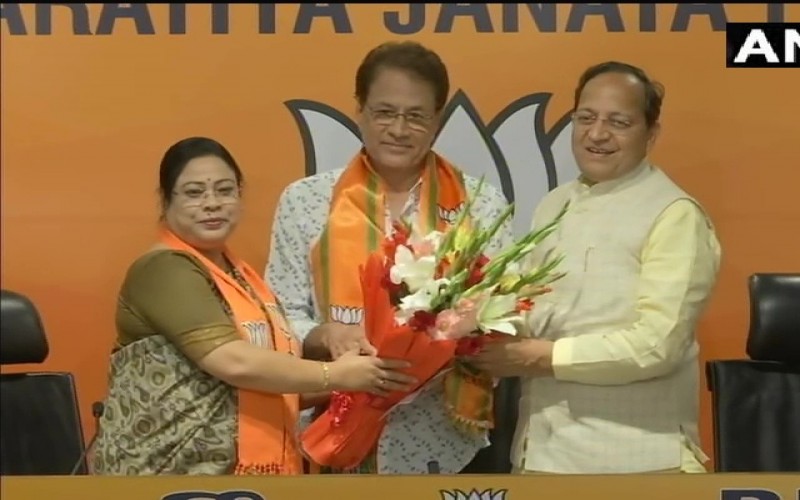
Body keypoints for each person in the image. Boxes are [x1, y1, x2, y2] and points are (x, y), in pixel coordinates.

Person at [91, 137, 417, 475]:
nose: (212, 203)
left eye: (224, 190)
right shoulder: (164, 268)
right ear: (165, 200)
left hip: (236, 477)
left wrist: (364, 376)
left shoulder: (243, 280)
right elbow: (233, 362)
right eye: (194, 193)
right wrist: (335, 374)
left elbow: (269, 385)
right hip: (170, 476)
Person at [264, 41, 515, 474]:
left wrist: (452, 338)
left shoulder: (480, 205)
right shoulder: (305, 201)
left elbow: (505, 311)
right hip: (330, 428)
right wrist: (326, 334)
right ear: (360, 111)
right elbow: (279, 315)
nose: (399, 129)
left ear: (437, 121)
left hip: (445, 436)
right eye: (384, 112)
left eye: (416, 116)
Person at [471, 61, 722, 474]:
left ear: (651, 134)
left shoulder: (674, 214)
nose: (597, 134)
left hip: (640, 461)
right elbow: (529, 309)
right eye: (585, 118)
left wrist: (543, 358)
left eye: (618, 122)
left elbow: (657, 345)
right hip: (541, 455)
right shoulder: (554, 204)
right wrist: (463, 321)